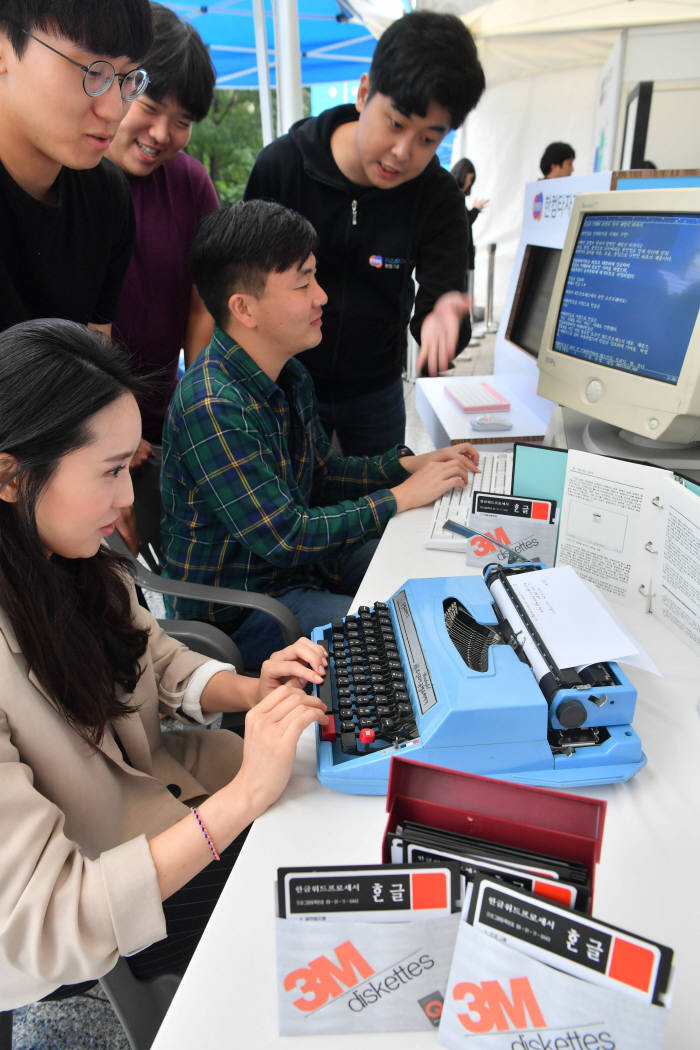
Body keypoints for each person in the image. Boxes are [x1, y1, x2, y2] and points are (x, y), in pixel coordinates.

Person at [0, 318, 329, 1007]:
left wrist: (248, 688)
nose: (128, 501)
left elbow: (151, 651)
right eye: (112, 472)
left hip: (161, 801)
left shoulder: (74, 559)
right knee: (313, 906)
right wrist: (243, 799)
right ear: (11, 477)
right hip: (99, 899)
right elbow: (52, 917)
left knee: (324, 808)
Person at [160, 201, 479, 670]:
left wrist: (409, 466)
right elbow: (287, 535)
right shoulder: (214, 405)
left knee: (428, 576)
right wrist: (401, 496)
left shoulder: (289, 375)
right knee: (405, 640)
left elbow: (322, 476)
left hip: (299, 572)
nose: (322, 296)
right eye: (303, 283)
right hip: (242, 611)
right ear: (244, 308)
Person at [244, 11, 486, 455]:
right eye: (395, 123)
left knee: (379, 513)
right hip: (285, 385)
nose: (402, 152)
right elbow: (242, 291)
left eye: (428, 139)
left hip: (376, 393)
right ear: (363, 92)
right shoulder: (283, 168)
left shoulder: (436, 197)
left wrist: (447, 321)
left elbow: (442, 302)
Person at [0, 0, 153, 335]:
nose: (114, 110)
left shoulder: (106, 195)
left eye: (128, 77)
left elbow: (94, 354)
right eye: (92, 72)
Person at [108, 3, 219, 454]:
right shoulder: (72, 176)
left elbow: (202, 307)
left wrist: (194, 409)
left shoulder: (191, 183)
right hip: (81, 424)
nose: (160, 133)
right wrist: (109, 427)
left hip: (163, 419)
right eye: (150, 108)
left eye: (182, 123)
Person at [450, 157, 489, 312]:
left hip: (462, 257)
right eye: (470, 178)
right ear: (464, 174)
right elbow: (464, 222)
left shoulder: (453, 194)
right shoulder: (454, 195)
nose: (470, 183)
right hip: (459, 258)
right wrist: (475, 210)